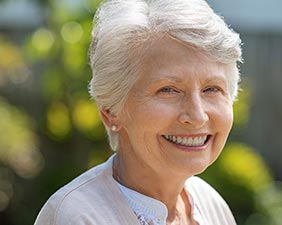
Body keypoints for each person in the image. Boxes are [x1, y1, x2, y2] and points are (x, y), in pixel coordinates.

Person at [34, 0, 242, 224]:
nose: (198, 116)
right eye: (168, 90)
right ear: (111, 110)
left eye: (212, 89)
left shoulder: (212, 207)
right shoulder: (77, 217)